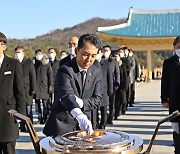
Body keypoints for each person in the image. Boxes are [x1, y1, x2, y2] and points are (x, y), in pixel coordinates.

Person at [43, 33, 102, 136]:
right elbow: (67, 95)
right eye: (85, 54)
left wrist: (83, 103)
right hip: (63, 124)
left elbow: (97, 99)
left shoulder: (95, 71)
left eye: (93, 56)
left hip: (85, 126)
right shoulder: (65, 70)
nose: (89, 60)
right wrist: (79, 115)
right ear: (76, 51)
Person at [0, 32, 26, 154]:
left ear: (4, 46)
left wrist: (21, 115)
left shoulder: (13, 64)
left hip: (8, 116)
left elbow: (20, 90)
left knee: (9, 150)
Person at [162, 36, 180, 154]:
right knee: (177, 132)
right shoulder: (168, 63)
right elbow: (165, 83)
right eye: (179, 46)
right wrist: (164, 99)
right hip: (175, 102)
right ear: (174, 47)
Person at [14, 46, 36, 132]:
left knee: (28, 110)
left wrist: (33, 89)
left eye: (19, 52)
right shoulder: (13, 63)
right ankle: (22, 126)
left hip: (27, 91)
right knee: (20, 111)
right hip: (17, 92)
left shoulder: (28, 63)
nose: (17, 54)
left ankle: (30, 127)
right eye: (16, 53)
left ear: (23, 53)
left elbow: (32, 76)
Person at [34, 49, 53, 124]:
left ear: (42, 54)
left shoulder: (47, 64)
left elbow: (50, 76)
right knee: (37, 105)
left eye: (39, 54)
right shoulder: (35, 64)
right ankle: (39, 118)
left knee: (46, 105)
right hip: (36, 87)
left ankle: (46, 118)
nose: (38, 56)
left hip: (44, 87)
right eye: (36, 54)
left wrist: (50, 86)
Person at [102, 45, 120, 124]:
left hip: (111, 84)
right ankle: (104, 118)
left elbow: (117, 73)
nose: (105, 52)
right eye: (104, 50)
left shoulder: (113, 61)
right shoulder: (100, 60)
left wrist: (117, 82)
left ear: (110, 52)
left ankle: (110, 117)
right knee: (103, 104)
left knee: (111, 102)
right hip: (102, 85)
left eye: (107, 50)